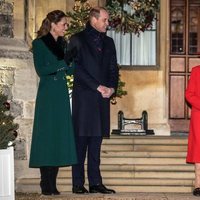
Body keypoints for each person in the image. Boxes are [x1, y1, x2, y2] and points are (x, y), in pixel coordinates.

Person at [65, 7, 119, 194]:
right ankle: (78, 184)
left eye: (107, 20)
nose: (107, 23)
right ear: (94, 20)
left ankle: (96, 183)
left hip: (102, 99)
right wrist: (96, 86)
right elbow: (74, 67)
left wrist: (112, 88)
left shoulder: (110, 42)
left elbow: (113, 68)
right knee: (80, 143)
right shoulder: (77, 39)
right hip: (85, 98)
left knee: (96, 144)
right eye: (104, 20)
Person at [29, 10, 77, 196]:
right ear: (54, 24)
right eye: (64, 24)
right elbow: (42, 70)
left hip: (61, 95)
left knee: (57, 137)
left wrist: (71, 61)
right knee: (46, 137)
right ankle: (45, 182)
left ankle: (52, 183)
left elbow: (70, 71)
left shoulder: (63, 44)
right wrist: (62, 63)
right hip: (48, 95)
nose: (66, 27)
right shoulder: (39, 44)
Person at [185, 65, 200, 196]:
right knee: (198, 152)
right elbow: (189, 94)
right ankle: (198, 185)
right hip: (199, 116)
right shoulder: (196, 71)